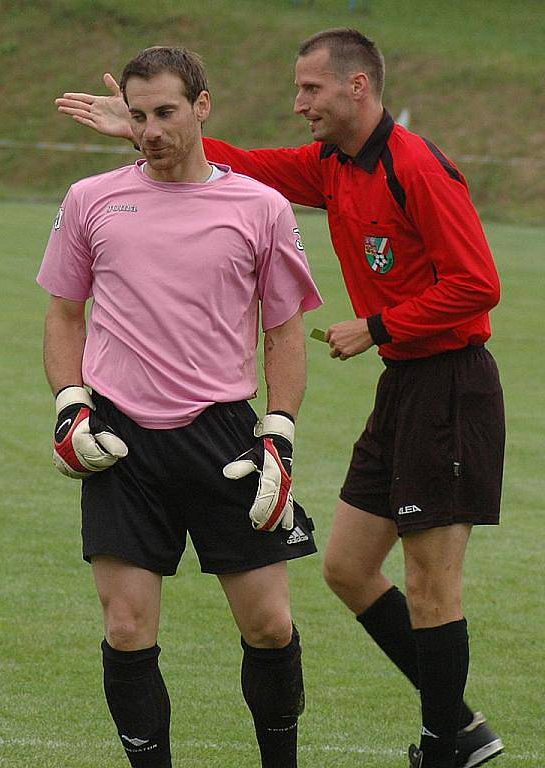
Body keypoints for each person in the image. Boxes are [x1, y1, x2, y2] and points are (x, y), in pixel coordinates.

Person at [55, 28, 506, 768]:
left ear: (357, 87)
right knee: (347, 570)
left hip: (452, 386)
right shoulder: (334, 164)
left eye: (310, 89)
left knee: (431, 586)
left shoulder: (415, 167)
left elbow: (479, 285)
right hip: (404, 384)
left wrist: (379, 324)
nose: (298, 104)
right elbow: (236, 166)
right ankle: (461, 725)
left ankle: (445, 743)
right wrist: (144, 128)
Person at [40, 45, 323, 768]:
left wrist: (280, 436)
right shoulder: (90, 198)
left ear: (202, 107)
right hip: (120, 440)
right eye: (138, 116)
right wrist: (71, 405)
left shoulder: (260, 206)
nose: (151, 129)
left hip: (225, 436)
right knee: (127, 627)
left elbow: (284, 331)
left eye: (166, 112)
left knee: (269, 624)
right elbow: (65, 315)